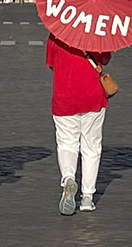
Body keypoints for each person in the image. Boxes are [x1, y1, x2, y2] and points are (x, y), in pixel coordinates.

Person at [45, 34, 111, 215]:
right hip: (93, 96)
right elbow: (105, 58)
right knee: (91, 148)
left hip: (64, 95)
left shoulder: (57, 33)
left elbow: (51, 63)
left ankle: (68, 178)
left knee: (67, 144)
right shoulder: (98, 31)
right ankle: (88, 197)